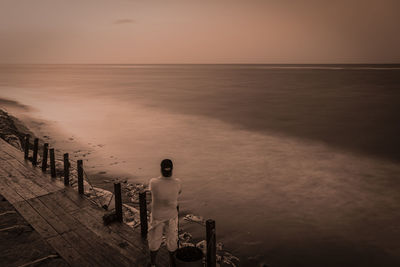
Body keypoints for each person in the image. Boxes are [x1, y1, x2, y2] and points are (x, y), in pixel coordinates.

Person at [148, 159, 182, 267]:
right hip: (171, 216)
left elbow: (152, 191)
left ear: (161, 169)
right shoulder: (177, 182)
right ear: (172, 170)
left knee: (154, 241)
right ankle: (172, 265)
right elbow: (179, 192)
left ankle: (153, 264)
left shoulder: (153, 182)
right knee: (172, 242)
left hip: (157, 216)